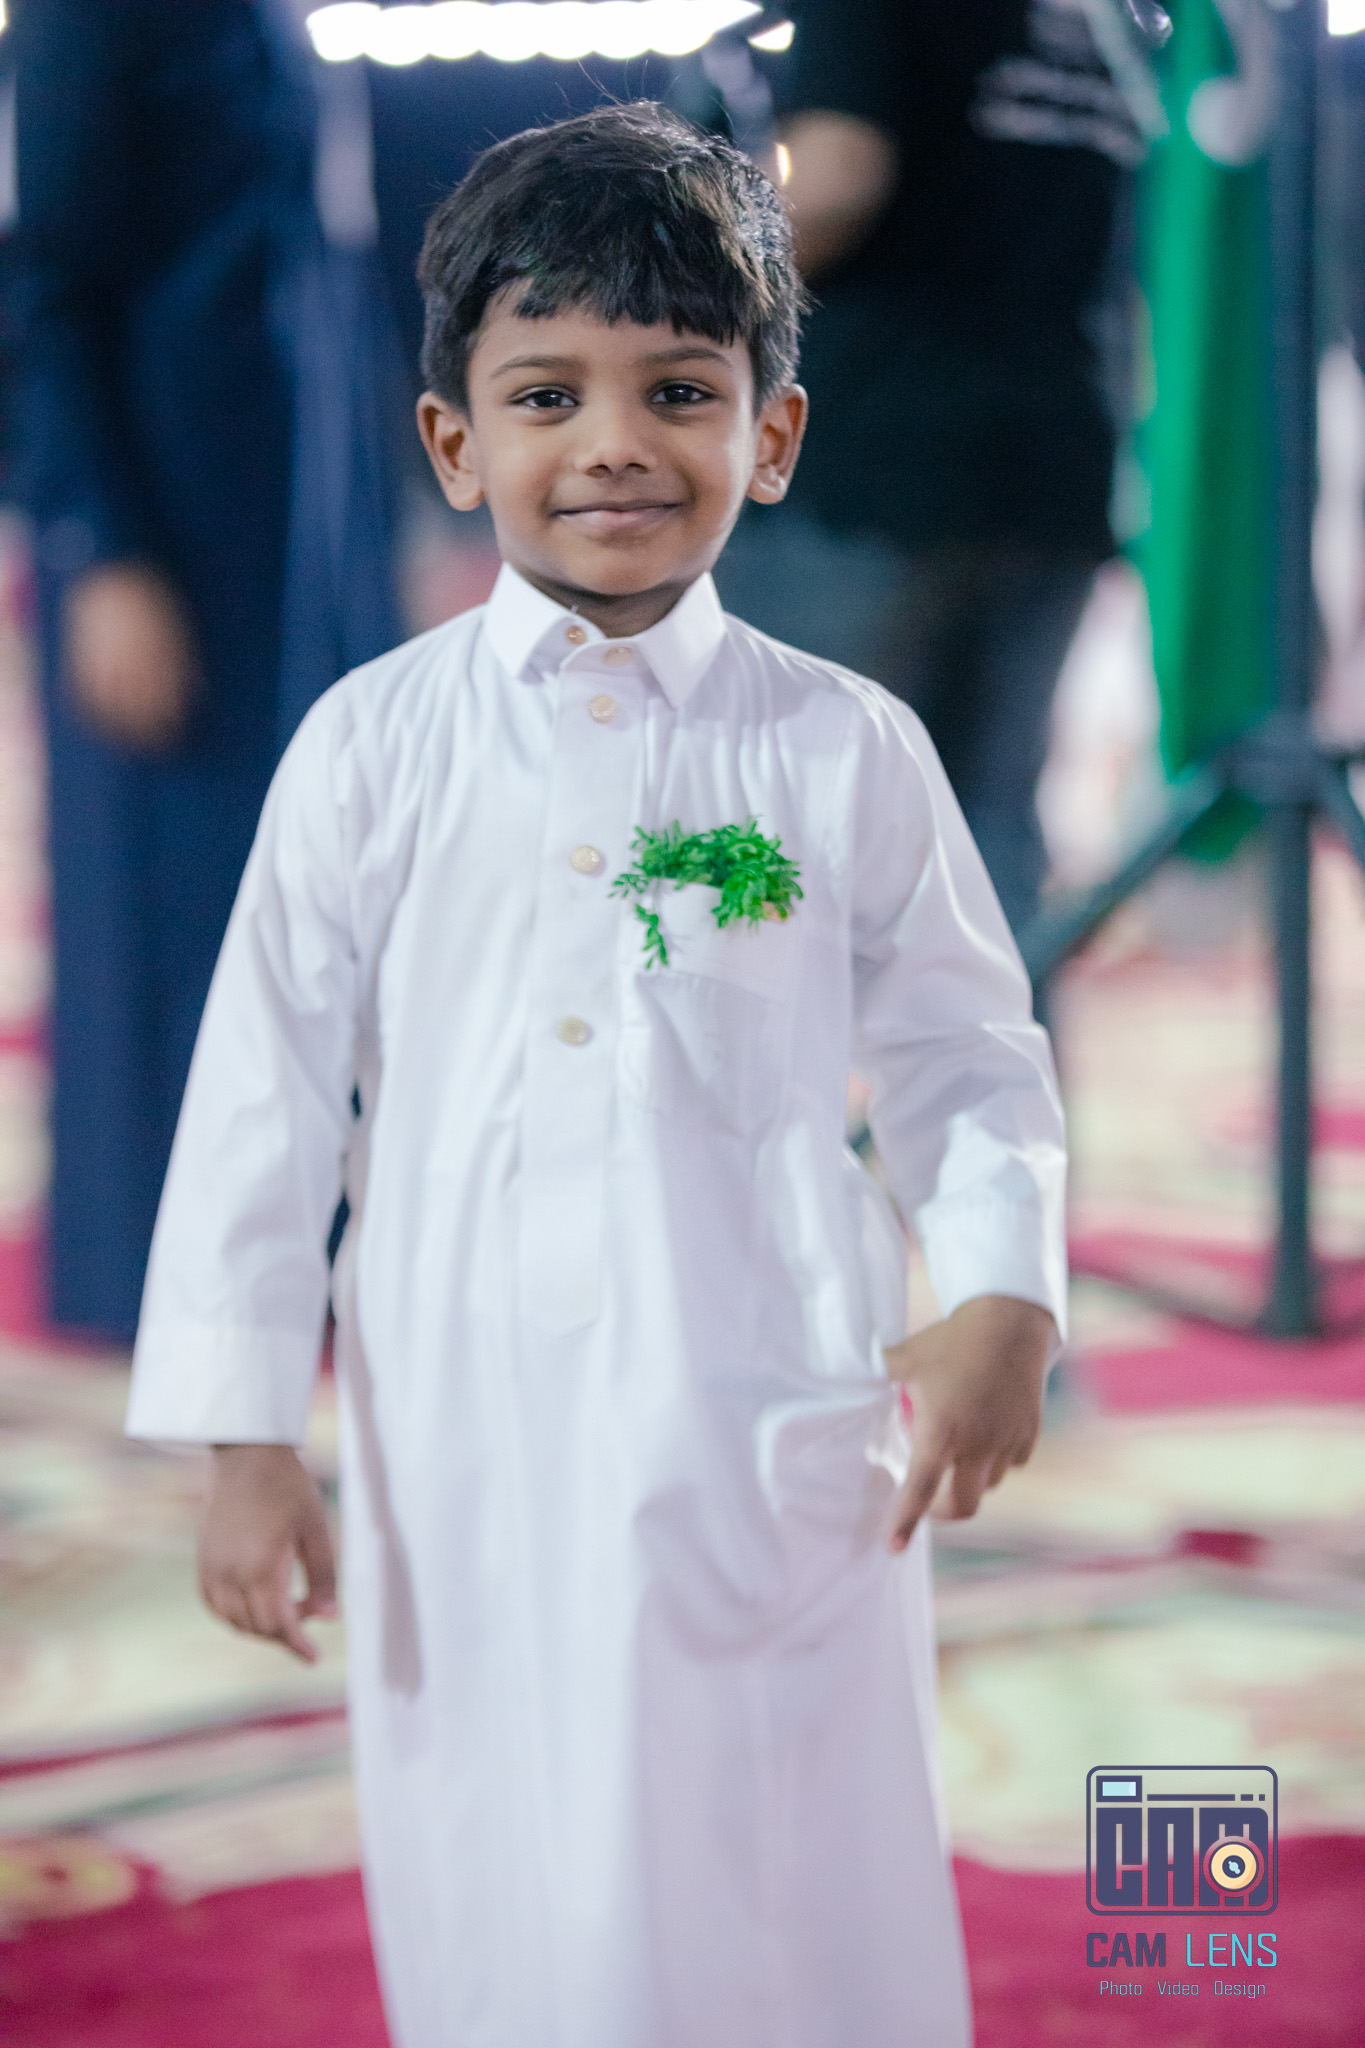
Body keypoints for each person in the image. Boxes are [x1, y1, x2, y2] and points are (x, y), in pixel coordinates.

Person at [126, 106, 1066, 2048]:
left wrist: (1003, 1292)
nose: (614, 443)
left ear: (772, 435)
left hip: (765, 1394)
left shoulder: (841, 746)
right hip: (457, 1406)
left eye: (680, 392)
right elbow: (263, 1094)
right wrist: (243, 1438)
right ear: (453, 441)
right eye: (546, 395)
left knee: (786, 1839)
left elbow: (966, 1049)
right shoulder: (370, 746)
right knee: (499, 1832)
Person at [13, 0, 399, 1337]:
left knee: (306, 902)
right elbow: (42, 287)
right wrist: (101, 552)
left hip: (292, 531)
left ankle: (292, 1260)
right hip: (169, 544)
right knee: (179, 919)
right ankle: (170, 1299)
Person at [716, 0, 1153, 937]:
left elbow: (836, 180)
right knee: (986, 836)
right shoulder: (1098, 17)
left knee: (788, 825)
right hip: (1052, 455)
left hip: (875, 456)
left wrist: (665, 283)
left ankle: (776, 1046)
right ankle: (997, 1038)